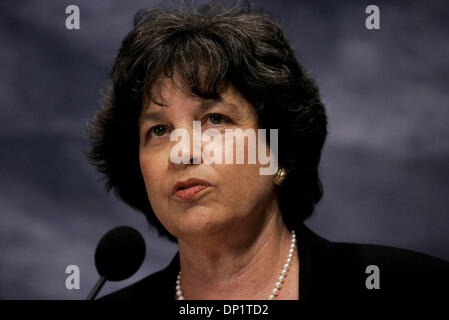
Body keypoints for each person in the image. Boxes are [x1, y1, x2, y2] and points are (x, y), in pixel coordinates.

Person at [86, 2, 449, 300]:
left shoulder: (414, 287)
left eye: (214, 119)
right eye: (159, 130)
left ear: (279, 152)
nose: (182, 152)